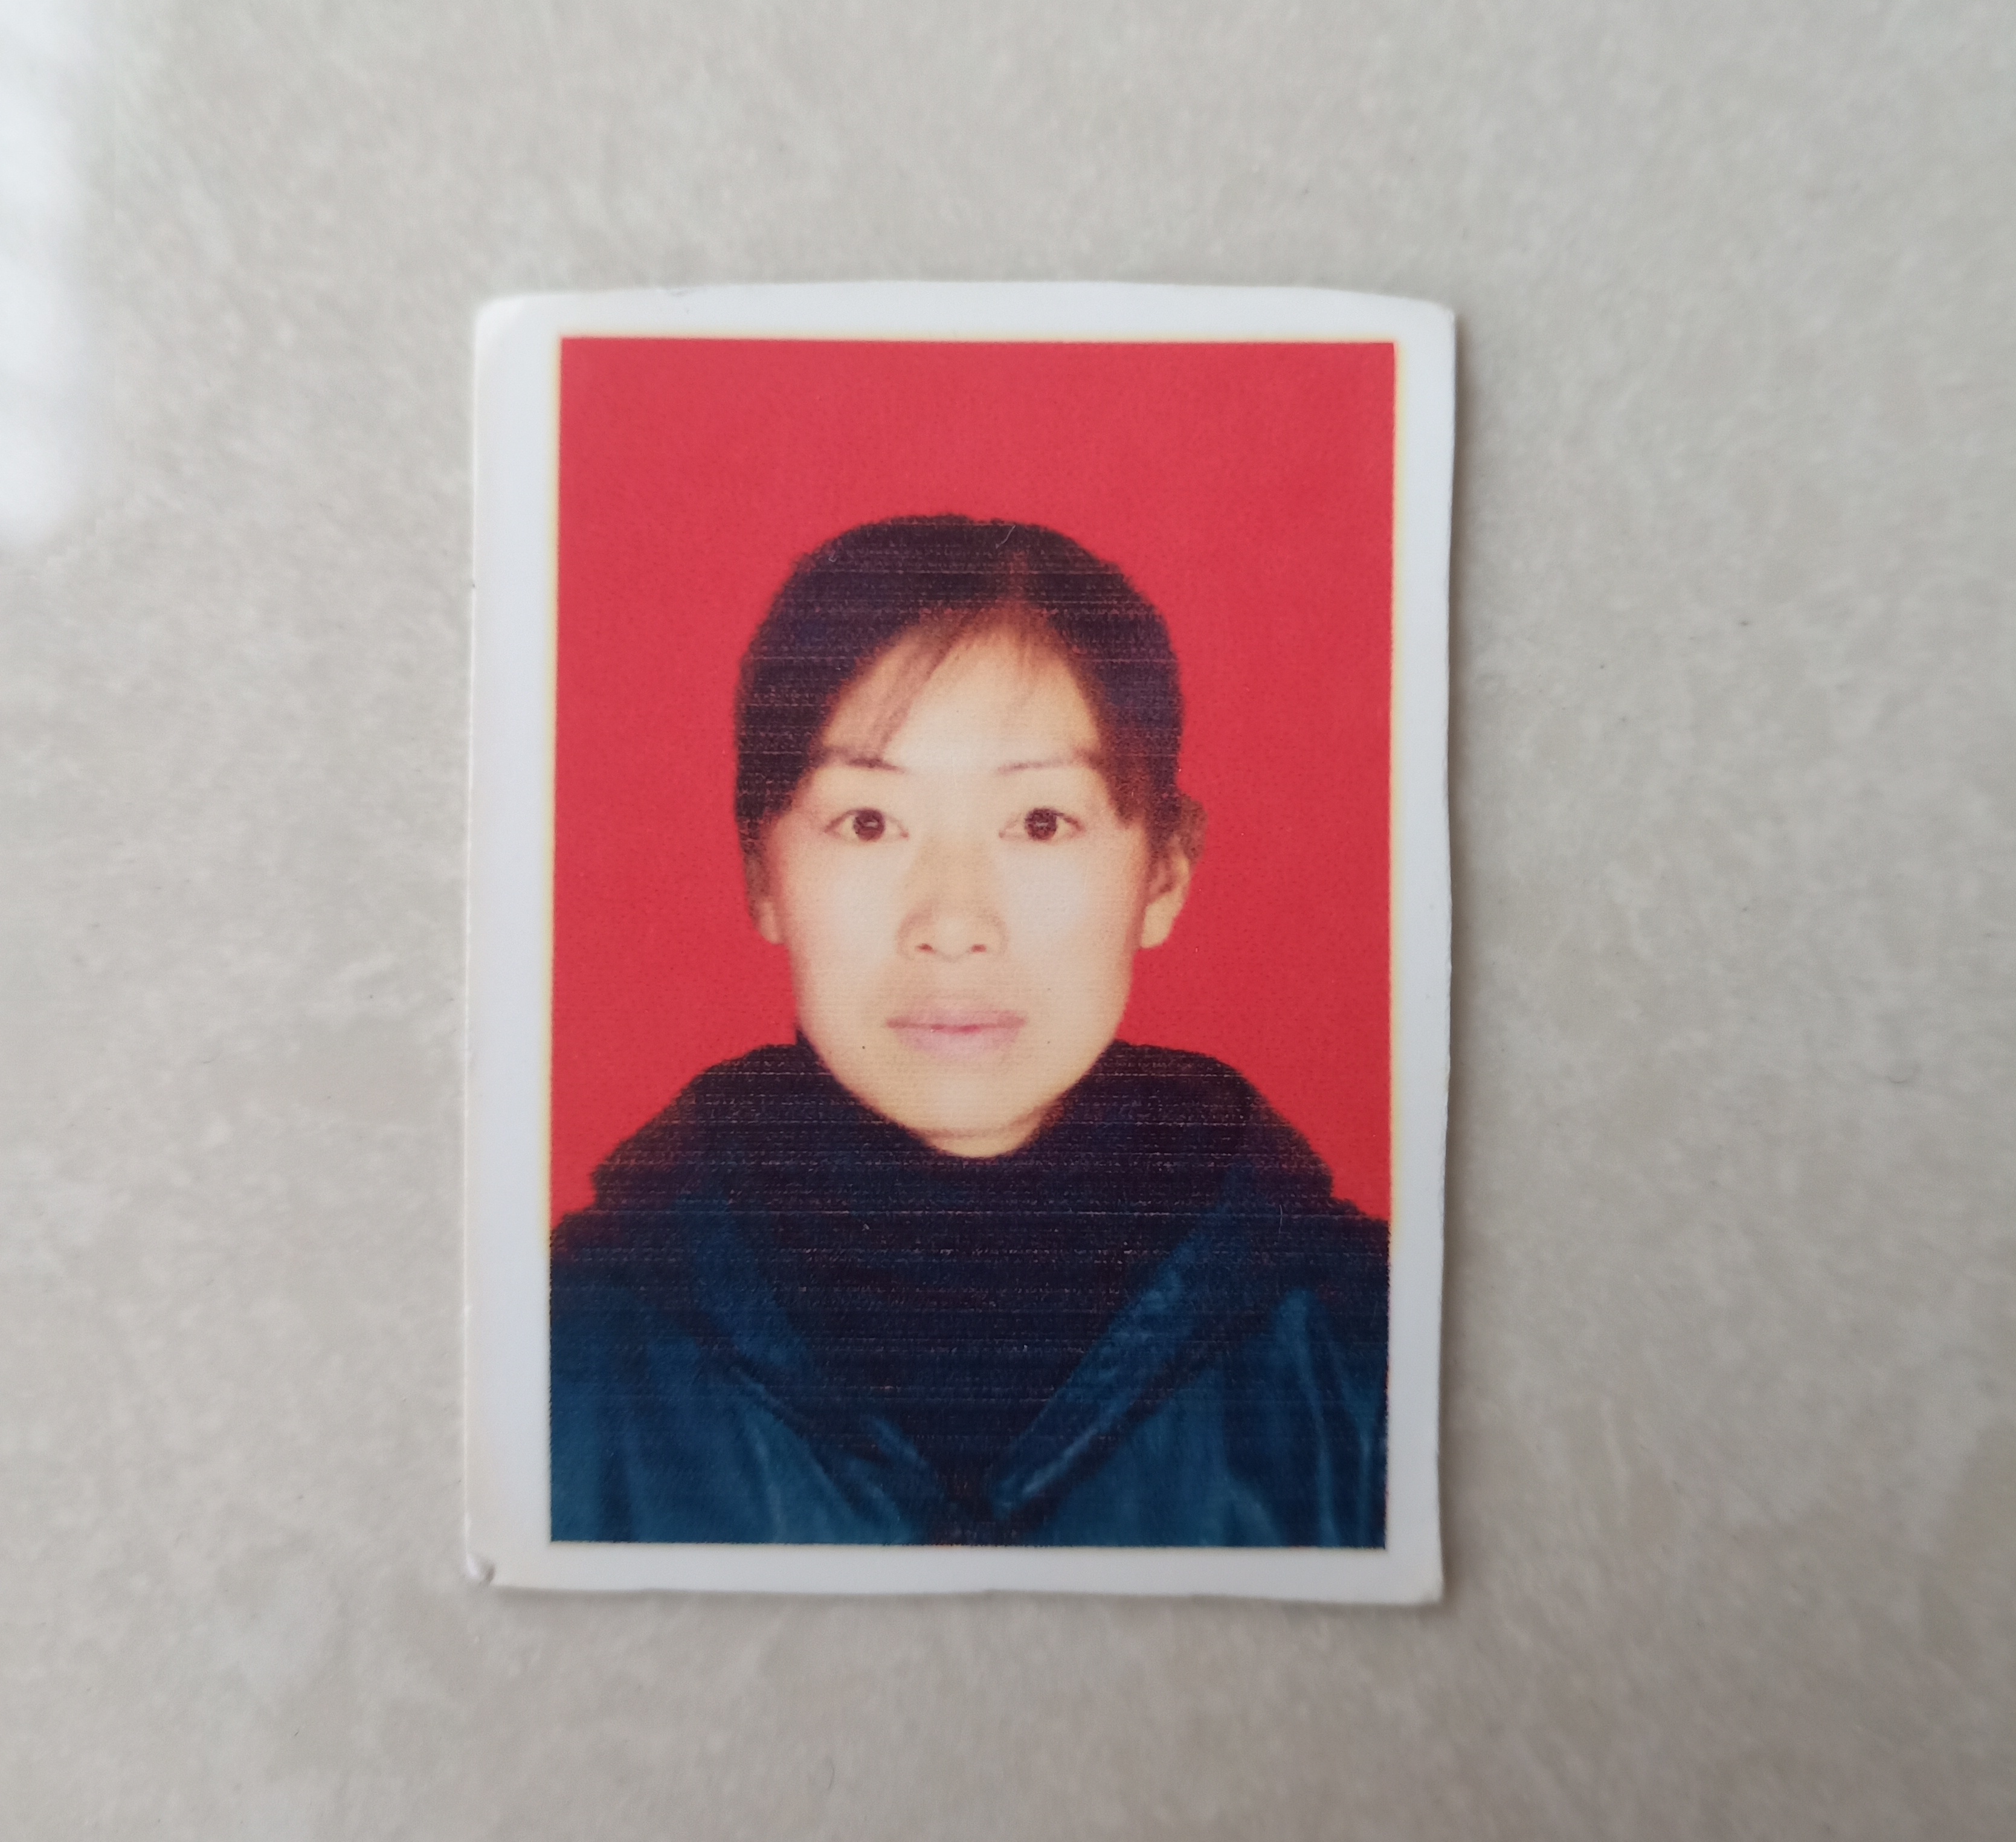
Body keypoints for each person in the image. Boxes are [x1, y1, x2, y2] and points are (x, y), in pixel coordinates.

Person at [551, 515, 1388, 1547]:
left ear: (1165, 873)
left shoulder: (1363, 1348)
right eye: (869, 823)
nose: (953, 924)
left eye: (1040, 823)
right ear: (761, 873)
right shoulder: (566, 1343)